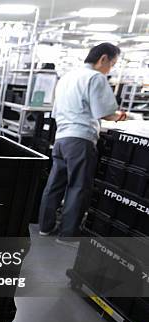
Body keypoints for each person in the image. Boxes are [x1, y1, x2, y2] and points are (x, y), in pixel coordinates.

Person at [38, 43, 127, 247]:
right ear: (103, 58)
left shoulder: (67, 77)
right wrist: (121, 116)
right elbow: (104, 112)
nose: (110, 69)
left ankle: (45, 226)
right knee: (78, 187)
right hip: (80, 139)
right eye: (112, 64)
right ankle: (68, 235)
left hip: (60, 139)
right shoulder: (95, 78)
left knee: (54, 185)